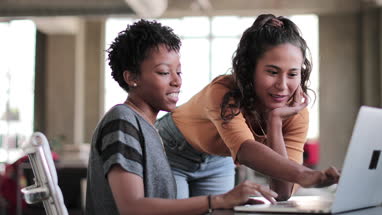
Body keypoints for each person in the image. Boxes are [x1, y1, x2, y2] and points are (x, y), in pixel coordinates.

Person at [85, 19, 278, 215]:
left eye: (178, 71)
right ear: (132, 78)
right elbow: (132, 208)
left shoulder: (148, 128)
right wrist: (219, 200)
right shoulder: (122, 121)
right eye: (164, 72)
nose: (177, 81)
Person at [155, 14, 340, 201]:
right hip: (172, 148)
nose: (282, 85)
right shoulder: (222, 92)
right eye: (272, 72)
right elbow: (244, 150)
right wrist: (304, 174)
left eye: (292, 74)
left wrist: (274, 122)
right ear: (250, 69)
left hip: (218, 160)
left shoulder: (295, 113)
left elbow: (282, 192)